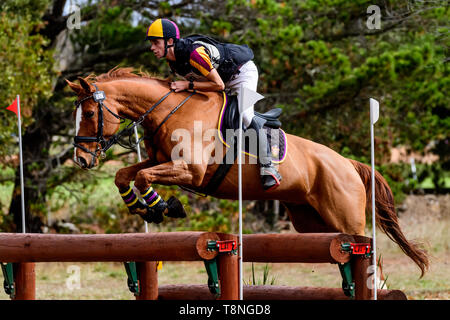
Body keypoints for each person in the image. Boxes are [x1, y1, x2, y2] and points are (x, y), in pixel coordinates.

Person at [146, 18, 282, 190]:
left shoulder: (194, 54)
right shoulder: (172, 61)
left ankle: (268, 166)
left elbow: (219, 85)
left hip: (241, 74)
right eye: (151, 43)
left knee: (245, 114)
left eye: (156, 42)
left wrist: (188, 85)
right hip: (221, 79)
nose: (152, 48)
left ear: (170, 41)